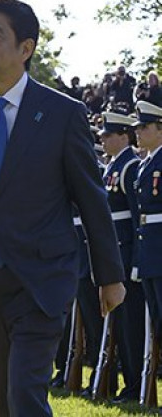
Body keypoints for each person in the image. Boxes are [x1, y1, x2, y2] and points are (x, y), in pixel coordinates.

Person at [0, 0, 126, 417]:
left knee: (24, 396)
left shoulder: (61, 113)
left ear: (26, 48)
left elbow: (92, 200)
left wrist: (109, 277)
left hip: (41, 281)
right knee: (2, 401)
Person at [96, 111, 145, 403]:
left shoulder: (130, 167)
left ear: (124, 137)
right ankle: (124, 381)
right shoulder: (114, 166)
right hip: (115, 253)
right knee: (120, 324)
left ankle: (134, 383)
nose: (103, 140)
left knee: (130, 325)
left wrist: (137, 261)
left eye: (108, 135)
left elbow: (138, 219)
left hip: (126, 254)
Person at [133, 102, 162, 342]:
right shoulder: (145, 164)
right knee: (156, 315)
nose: (138, 132)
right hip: (150, 249)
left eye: (144, 127)